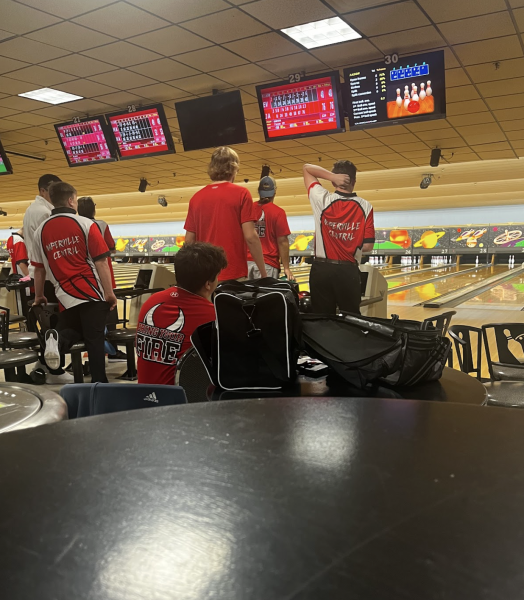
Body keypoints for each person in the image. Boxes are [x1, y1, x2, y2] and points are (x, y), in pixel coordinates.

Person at [32, 182, 118, 384]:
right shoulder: (87, 224)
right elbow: (101, 262)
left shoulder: (40, 231)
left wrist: (38, 295)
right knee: (94, 339)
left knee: (73, 330)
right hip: (92, 293)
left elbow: (38, 268)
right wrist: (109, 293)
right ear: (71, 200)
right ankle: (99, 384)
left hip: (65, 295)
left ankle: (58, 341)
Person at [136, 242, 227, 385]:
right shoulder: (213, 315)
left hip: (142, 399)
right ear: (208, 284)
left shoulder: (151, 302)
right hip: (180, 402)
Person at [303, 161, 375, 315]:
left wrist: (331, 176)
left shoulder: (321, 199)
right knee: (351, 320)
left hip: (322, 269)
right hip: (348, 272)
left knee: (322, 320)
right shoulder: (366, 206)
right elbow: (368, 247)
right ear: (354, 181)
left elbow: (307, 169)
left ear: (333, 181)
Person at [184, 147, 267, 281]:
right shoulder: (242, 194)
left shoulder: (196, 198)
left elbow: (188, 242)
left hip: (205, 277)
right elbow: (251, 237)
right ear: (234, 169)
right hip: (233, 274)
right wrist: (263, 274)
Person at [77, 196, 126, 363]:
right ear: (94, 209)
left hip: (85, 281)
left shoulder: (74, 224)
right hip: (104, 277)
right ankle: (112, 352)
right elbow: (111, 247)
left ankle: (90, 353)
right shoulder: (101, 224)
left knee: (88, 319)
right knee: (109, 316)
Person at [247, 176, 295, 281]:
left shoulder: (248, 209)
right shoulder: (278, 212)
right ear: (274, 192)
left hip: (246, 263)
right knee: (265, 297)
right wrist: (286, 268)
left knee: (246, 297)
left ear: (259, 191)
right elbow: (282, 242)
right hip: (267, 264)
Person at [23, 174, 62, 279]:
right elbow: (52, 245)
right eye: (53, 191)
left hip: (37, 271)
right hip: (47, 273)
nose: (57, 195)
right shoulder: (45, 212)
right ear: (42, 191)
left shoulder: (30, 209)